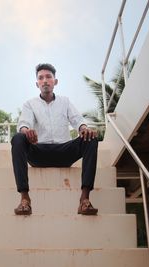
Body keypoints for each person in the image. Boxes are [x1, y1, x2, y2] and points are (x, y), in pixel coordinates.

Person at [11, 63, 99, 216]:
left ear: (55, 81)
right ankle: (25, 199)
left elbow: (77, 120)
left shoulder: (65, 101)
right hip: (39, 152)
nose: (45, 80)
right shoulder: (29, 104)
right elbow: (24, 123)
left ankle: (84, 199)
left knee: (90, 138)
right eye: (41, 78)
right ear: (37, 83)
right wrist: (27, 132)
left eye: (48, 77)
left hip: (63, 151)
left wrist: (83, 128)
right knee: (18, 138)